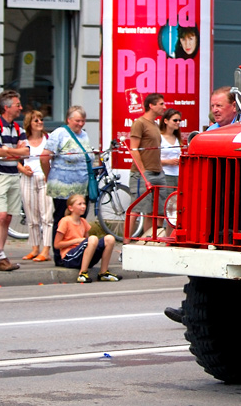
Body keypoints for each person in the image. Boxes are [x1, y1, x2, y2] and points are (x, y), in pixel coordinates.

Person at [0, 90, 30, 271]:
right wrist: (14, 152)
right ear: (6, 107)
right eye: (17, 105)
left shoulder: (18, 128)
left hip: (13, 175)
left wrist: (7, 151)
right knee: (0, 215)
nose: (20, 108)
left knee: (8, 216)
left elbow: (26, 151)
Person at [41, 105, 92, 265]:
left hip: (81, 187)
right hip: (63, 187)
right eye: (77, 121)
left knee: (80, 220)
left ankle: (79, 253)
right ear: (68, 120)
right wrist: (48, 175)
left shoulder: (84, 135)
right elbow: (44, 157)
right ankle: (60, 255)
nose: (80, 124)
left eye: (83, 121)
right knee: (62, 221)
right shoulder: (59, 134)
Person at [54, 193, 121, 283]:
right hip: (69, 257)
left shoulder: (83, 221)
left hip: (82, 255)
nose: (83, 206)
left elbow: (89, 242)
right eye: (79, 204)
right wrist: (77, 240)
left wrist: (86, 242)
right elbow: (57, 245)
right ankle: (82, 273)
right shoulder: (65, 221)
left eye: (84, 203)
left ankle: (103, 273)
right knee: (93, 239)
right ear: (71, 208)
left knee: (109, 238)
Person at [18, 110, 54, 261]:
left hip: (44, 177)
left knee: (46, 214)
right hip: (28, 178)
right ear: (29, 124)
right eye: (36, 121)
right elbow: (16, 161)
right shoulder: (23, 142)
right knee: (31, 215)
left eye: (41, 120)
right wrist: (23, 169)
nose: (40, 123)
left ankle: (46, 249)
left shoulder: (49, 139)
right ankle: (34, 248)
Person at [128, 93, 166, 233]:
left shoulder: (155, 124)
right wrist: (143, 172)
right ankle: (126, 243)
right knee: (137, 209)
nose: (164, 107)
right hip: (142, 173)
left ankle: (147, 241)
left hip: (158, 172)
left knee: (156, 211)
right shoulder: (140, 123)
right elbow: (134, 149)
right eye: (161, 104)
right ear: (151, 105)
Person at [159, 108, 183, 189]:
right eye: (175, 120)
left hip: (177, 175)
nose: (178, 122)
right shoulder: (159, 137)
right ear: (166, 121)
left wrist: (180, 160)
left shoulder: (177, 138)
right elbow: (152, 161)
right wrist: (168, 162)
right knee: (166, 200)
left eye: (179, 120)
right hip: (164, 174)